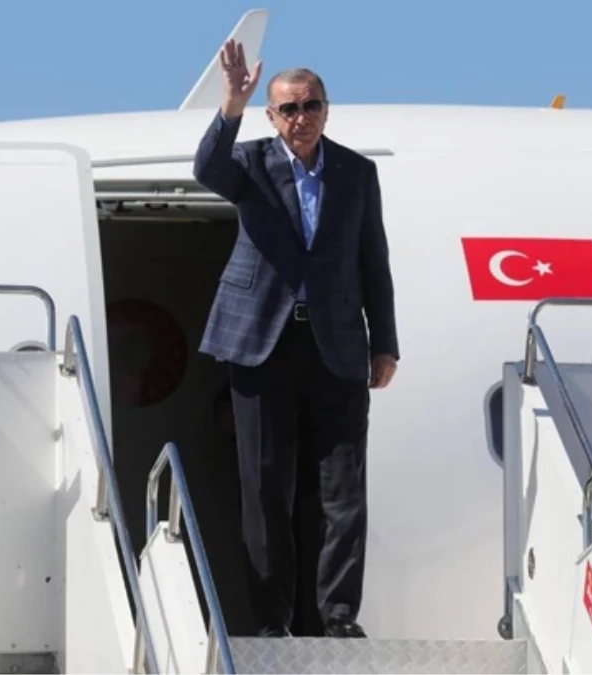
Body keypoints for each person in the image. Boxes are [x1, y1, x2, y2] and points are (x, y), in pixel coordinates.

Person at [192, 38, 400, 639]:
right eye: (288, 108)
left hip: (336, 345)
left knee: (344, 489)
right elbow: (206, 168)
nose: (301, 118)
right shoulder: (249, 161)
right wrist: (231, 105)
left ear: (327, 110)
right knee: (266, 489)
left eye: (311, 106)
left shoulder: (357, 173)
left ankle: (338, 616)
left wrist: (384, 343)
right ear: (271, 115)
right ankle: (271, 620)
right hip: (263, 343)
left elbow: (373, 260)